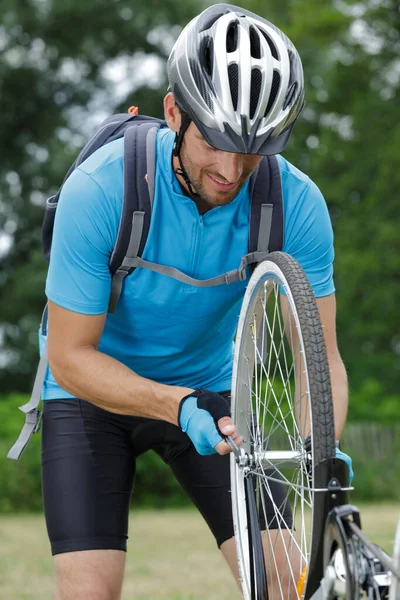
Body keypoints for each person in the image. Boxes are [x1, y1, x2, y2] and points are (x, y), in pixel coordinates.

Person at [40, 3, 349, 599]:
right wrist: (170, 404)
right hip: (88, 391)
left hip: (210, 398)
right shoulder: (103, 189)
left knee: (291, 588)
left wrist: (323, 460)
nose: (232, 171)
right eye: (215, 141)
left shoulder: (297, 207)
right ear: (175, 112)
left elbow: (322, 361)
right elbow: (69, 356)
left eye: (254, 148)